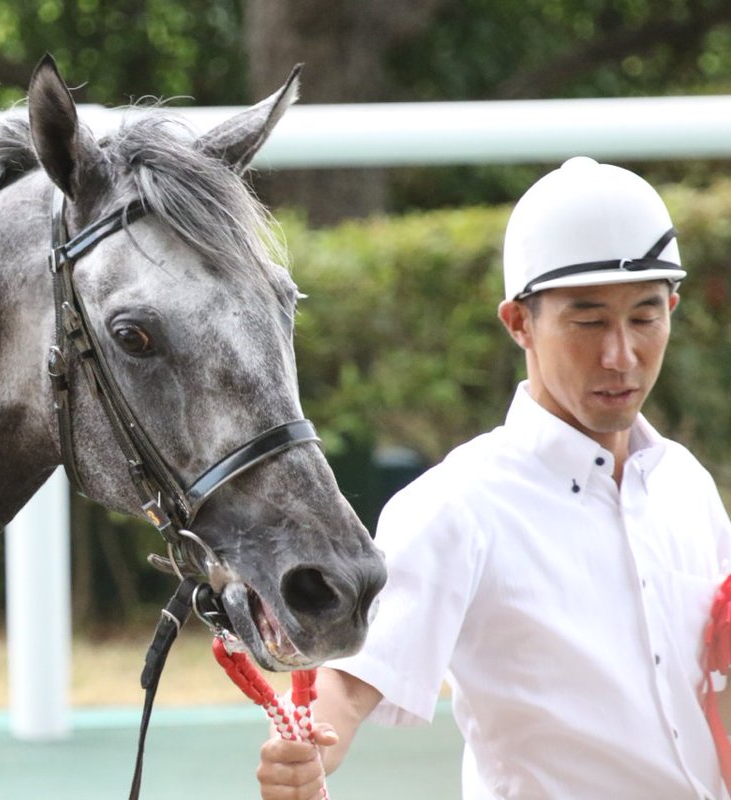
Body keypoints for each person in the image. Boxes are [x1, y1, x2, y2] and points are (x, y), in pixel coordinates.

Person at [258, 157, 731, 799]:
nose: (621, 354)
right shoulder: (458, 505)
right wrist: (310, 749)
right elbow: (351, 674)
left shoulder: (687, 486)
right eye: (588, 321)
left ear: (672, 308)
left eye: (645, 317)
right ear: (518, 323)